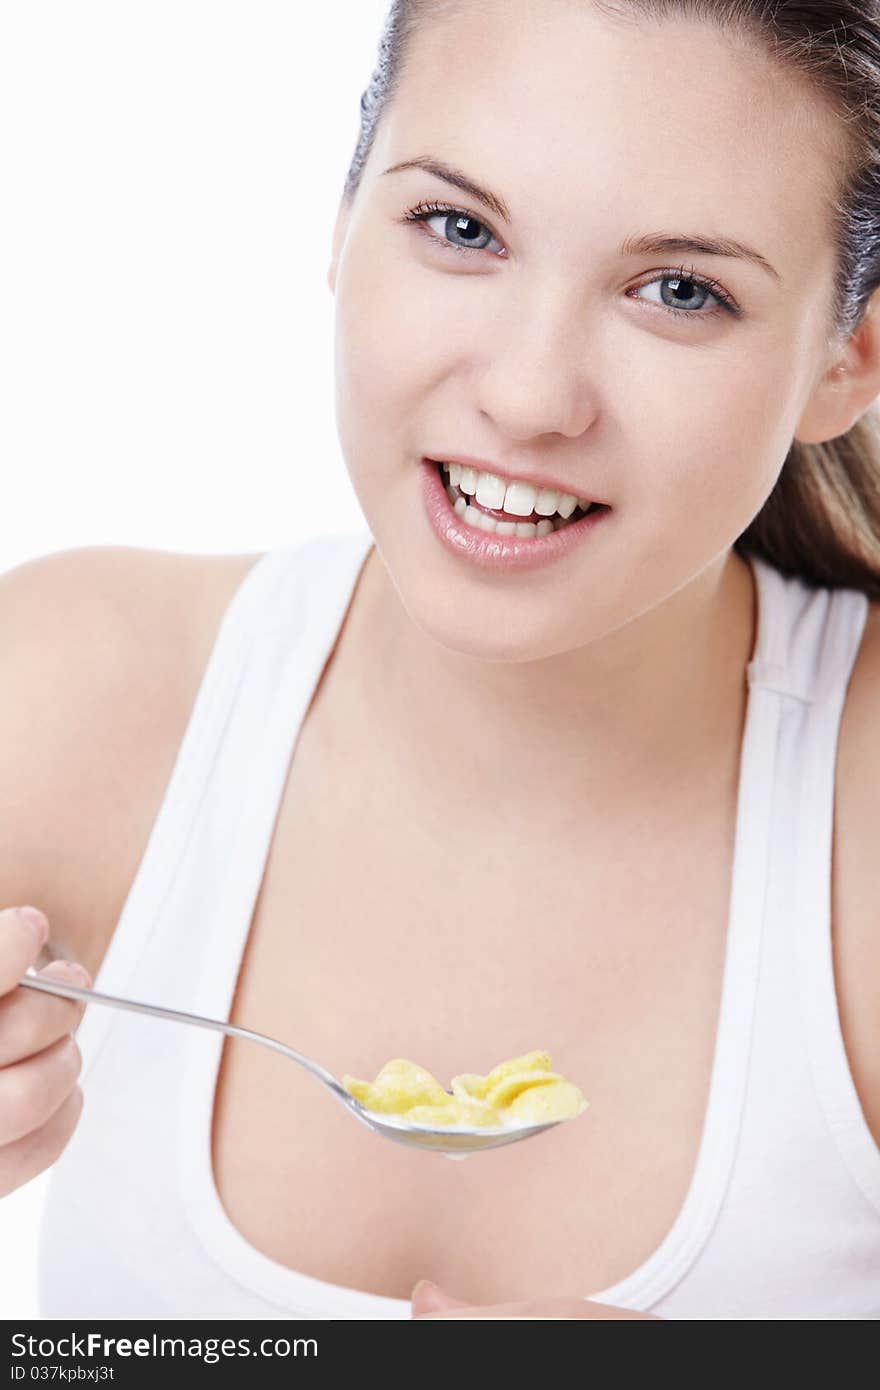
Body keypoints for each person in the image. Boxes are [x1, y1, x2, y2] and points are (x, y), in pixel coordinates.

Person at [2, 0, 880, 1321]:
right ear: (341, 218)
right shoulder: (71, 692)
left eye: (681, 291)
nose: (531, 396)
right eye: (461, 228)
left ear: (847, 359)